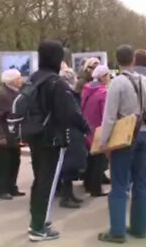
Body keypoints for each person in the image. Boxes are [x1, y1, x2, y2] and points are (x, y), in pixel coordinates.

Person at [26, 40, 90, 242]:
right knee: (48, 183)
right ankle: (38, 228)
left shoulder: (34, 78)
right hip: (52, 138)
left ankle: (37, 220)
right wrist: (87, 129)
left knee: (39, 180)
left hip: (35, 136)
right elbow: (71, 112)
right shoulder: (56, 82)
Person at [98, 45, 146, 244]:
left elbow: (110, 116)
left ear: (117, 60)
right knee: (142, 183)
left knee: (120, 184)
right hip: (145, 134)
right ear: (133, 59)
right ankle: (140, 227)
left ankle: (117, 231)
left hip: (125, 137)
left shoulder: (117, 84)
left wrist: (105, 142)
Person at [0, 69, 25, 200]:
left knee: (15, 161)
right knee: (4, 163)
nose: (22, 80)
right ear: (13, 81)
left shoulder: (16, 92)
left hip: (14, 134)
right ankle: (1, 189)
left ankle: (12, 187)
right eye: (19, 78)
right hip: (4, 134)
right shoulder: (2, 94)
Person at [58, 61, 89, 209]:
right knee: (70, 165)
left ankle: (69, 194)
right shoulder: (68, 95)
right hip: (71, 131)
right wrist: (85, 127)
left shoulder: (66, 93)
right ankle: (66, 196)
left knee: (70, 164)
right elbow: (75, 114)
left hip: (68, 130)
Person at [81, 64, 111, 197]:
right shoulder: (103, 93)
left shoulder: (86, 89)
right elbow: (106, 113)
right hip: (98, 128)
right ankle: (96, 188)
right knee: (98, 160)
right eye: (108, 75)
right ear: (103, 77)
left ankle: (87, 184)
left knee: (90, 159)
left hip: (87, 127)